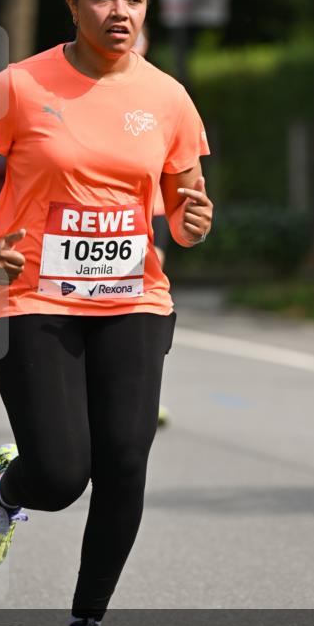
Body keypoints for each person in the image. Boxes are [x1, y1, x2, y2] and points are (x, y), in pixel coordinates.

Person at [0, 0, 213, 626]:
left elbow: (180, 202)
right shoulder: (20, 86)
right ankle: (7, 484)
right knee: (62, 476)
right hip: (28, 293)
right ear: (71, 4)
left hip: (132, 297)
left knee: (124, 459)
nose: (118, 10)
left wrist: (190, 219)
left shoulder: (166, 96)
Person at [133, 24, 171, 426]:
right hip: (105, 221)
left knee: (144, 299)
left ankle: (143, 393)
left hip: (153, 212)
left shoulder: (161, 92)